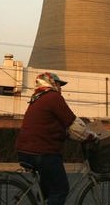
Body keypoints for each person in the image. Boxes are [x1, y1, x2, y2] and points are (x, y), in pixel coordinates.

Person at [15, 72, 94, 205]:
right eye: (59, 84)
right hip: (43, 153)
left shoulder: (37, 99)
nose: (61, 88)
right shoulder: (53, 97)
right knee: (60, 190)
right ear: (50, 83)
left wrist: (67, 135)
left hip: (25, 151)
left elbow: (48, 127)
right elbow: (73, 123)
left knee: (46, 188)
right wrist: (91, 136)